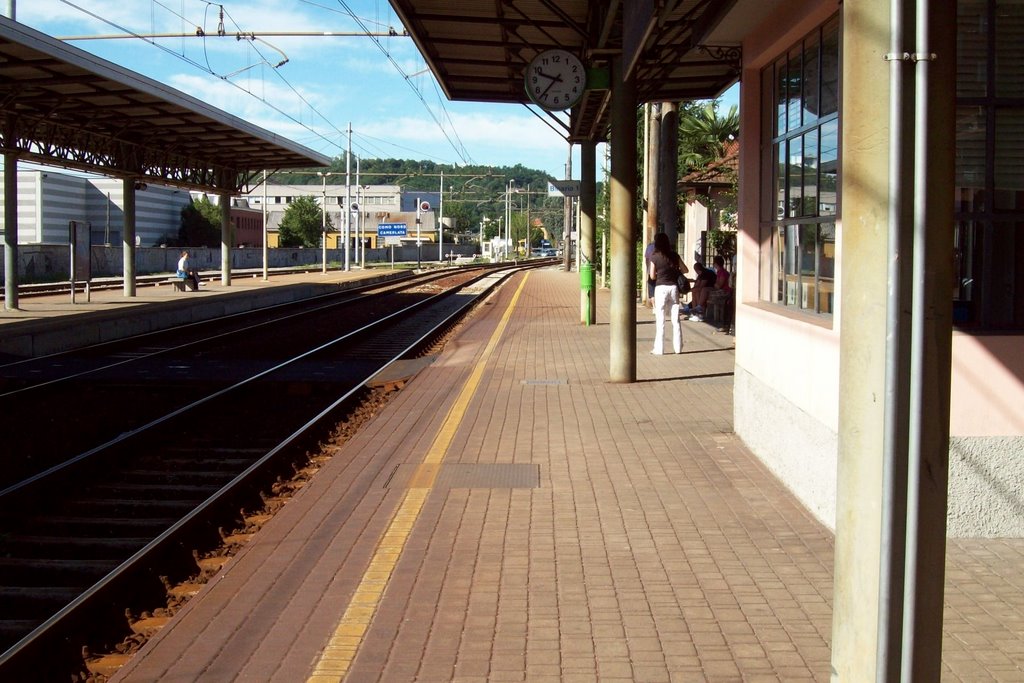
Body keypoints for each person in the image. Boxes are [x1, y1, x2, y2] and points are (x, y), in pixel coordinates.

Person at [647, 232, 685, 354]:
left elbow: (652, 276)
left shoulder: (655, 256)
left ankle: (659, 349)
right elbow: (685, 269)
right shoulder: (674, 255)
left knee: (660, 319)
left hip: (660, 288)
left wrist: (660, 273)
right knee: (676, 319)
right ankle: (678, 348)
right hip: (673, 288)